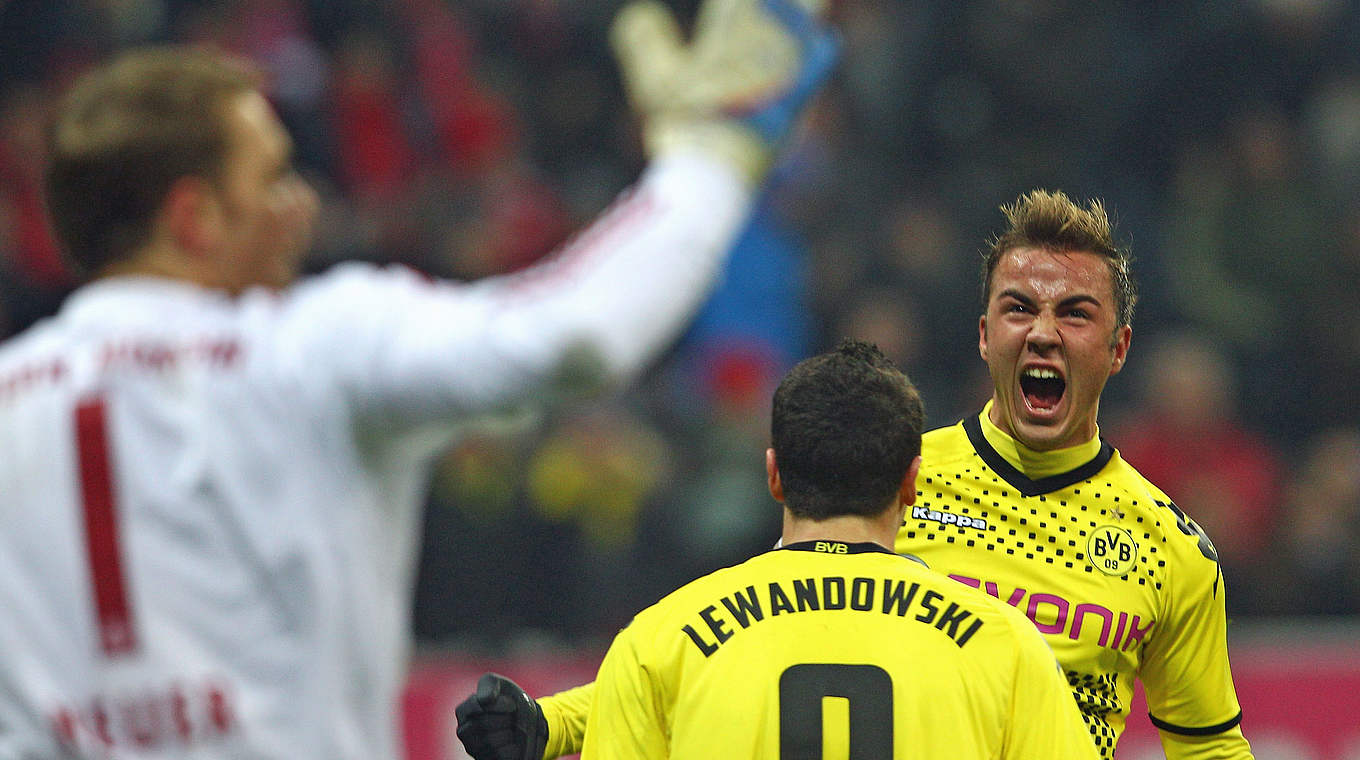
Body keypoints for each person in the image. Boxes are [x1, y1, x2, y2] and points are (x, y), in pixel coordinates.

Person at [0, 0, 837, 755]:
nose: (303, 204)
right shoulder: (310, 348)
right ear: (194, 217)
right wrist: (710, 157)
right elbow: (573, 336)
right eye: (273, 176)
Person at [454, 191, 1255, 760]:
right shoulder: (888, 477)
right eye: (1019, 308)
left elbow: (1209, 743)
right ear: (984, 335)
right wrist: (551, 723)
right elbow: (723, 652)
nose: (1042, 332)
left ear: (1116, 350)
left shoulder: (1168, 551)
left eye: (1074, 314)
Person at [459, 340, 1099, 759]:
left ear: (773, 475)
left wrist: (551, 724)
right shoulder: (1005, 646)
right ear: (911, 481)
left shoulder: (662, 642)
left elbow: (671, 685)